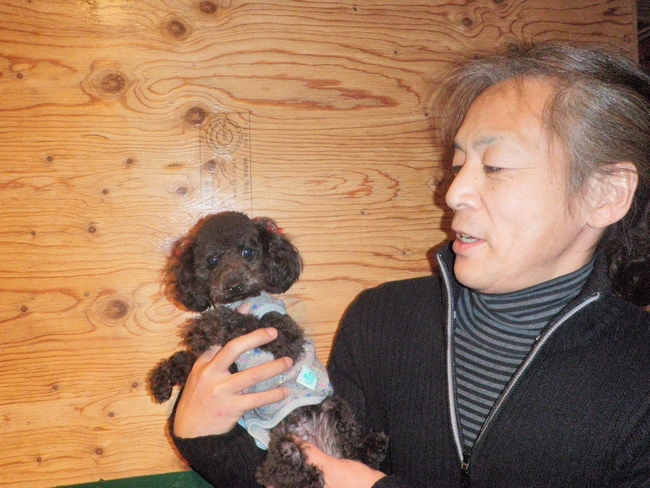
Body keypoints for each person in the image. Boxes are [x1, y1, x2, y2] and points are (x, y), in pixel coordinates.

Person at [168, 41, 650, 487]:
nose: (454, 192)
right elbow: (312, 474)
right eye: (457, 166)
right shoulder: (379, 320)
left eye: (495, 165)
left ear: (604, 194)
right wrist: (206, 437)